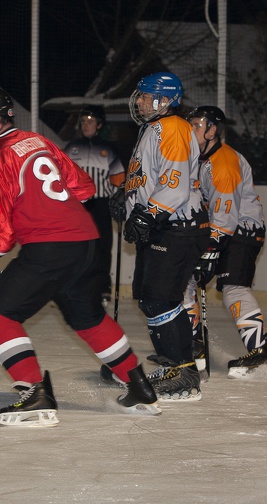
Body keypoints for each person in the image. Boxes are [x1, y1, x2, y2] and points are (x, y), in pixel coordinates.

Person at [0, 87, 159, 426]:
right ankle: (138, 385)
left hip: (50, 247)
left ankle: (34, 394)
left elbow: (0, 233)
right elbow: (84, 188)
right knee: (87, 318)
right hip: (86, 241)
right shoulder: (39, 142)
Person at [109, 72, 209, 401]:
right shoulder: (153, 129)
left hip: (176, 225)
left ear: (164, 100)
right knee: (156, 298)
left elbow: (175, 185)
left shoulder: (174, 128)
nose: (138, 101)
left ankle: (181, 372)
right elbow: (149, 178)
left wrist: (147, 214)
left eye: (145, 95)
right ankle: (178, 367)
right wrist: (127, 199)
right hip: (168, 225)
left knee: (158, 298)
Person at [183, 106, 267, 379]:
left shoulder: (223, 163)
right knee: (183, 279)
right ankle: (193, 345)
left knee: (233, 287)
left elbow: (225, 218)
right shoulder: (197, 159)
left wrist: (209, 251)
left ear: (212, 131)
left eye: (198, 125)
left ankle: (260, 353)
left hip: (242, 230)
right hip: (219, 229)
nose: (192, 130)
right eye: (191, 124)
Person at [63, 105, 125, 304]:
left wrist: (120, 200)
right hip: (77, 205)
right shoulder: (72, 148)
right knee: (77, 246)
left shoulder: (108, 149)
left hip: (101, 204)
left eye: (90, 121)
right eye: (83, 122)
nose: (85, 125)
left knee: (102, 246)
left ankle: (103, 286)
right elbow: (60, 176)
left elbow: (118, 179)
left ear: (99, 125)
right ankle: (76, 284)